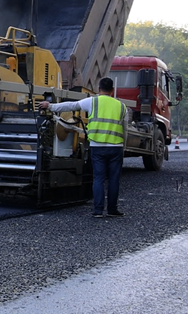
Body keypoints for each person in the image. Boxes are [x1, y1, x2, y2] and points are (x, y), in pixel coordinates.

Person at [39, 77, 127, 217]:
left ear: (99, 89)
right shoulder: (122, 106)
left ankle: (98, 211)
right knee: (114, 180)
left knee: (98, 179)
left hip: (97, 146)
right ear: (112, 90)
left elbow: (71, 106)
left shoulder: (92, 102)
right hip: (116, 147)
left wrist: (50, 106)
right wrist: (123, 147)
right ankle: (112, 210)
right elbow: (125, 129)